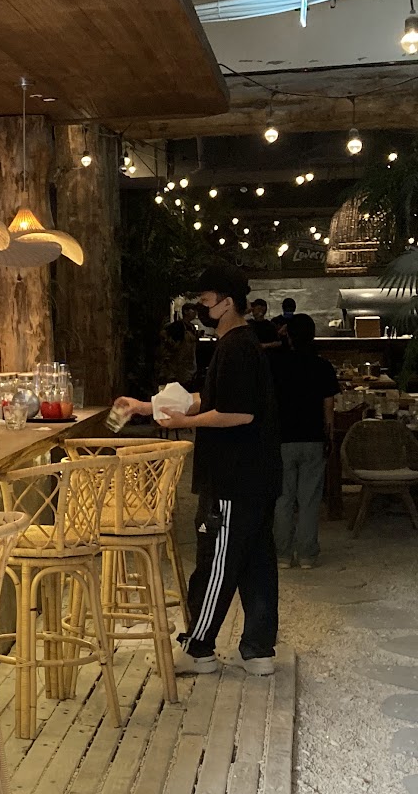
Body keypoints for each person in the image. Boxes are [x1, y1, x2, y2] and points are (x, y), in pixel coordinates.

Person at [115, 264, 281, 676]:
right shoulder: (241, 344)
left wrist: (184, 422)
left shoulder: (235, 347)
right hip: (256, 476)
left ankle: (199, 647)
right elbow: (210, 398)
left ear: (227, 303)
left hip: (233, 477)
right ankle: (258, 651)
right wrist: (147, 406)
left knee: (215, 563)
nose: (202, 308)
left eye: (207, 301)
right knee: (255, 563)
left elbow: (237, 413)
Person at [269, 314, 339, 569]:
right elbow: (328, 405)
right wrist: (329, 435)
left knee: (283, 499)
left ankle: (283, 554)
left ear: (288, 335)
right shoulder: (322, 365)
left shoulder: (275, 364)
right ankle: (307, 554)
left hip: (281, 439)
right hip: (312, 438)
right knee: (309, 499)